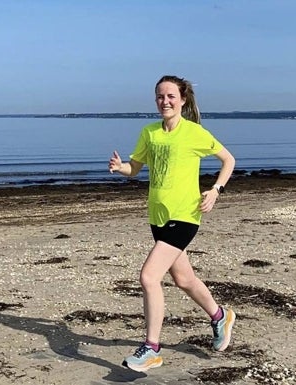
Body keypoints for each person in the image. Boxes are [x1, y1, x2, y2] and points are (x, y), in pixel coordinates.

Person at [108, 75, 236, 372]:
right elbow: (135, 168)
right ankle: (220, 316)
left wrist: (216, 190)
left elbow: (228, 160)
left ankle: (151, 348)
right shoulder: (150, 133)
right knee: (184, 280)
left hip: (186, 215)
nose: (164, 101)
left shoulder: (195, 133)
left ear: (183, 100)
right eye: (159, 96)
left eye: (170, 96)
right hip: (158, 216)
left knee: (149, 277)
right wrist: (120, 168)